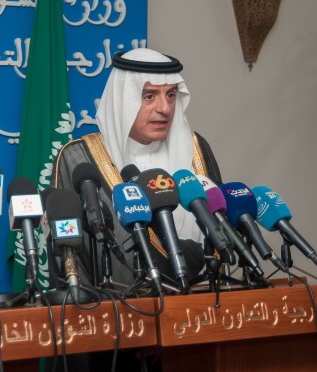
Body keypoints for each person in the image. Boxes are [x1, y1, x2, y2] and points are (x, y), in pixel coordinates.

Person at [52, 47, 222, 293]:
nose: (164, 108)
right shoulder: (80, 158)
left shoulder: (197, 149)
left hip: (202, 309)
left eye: (171, 95)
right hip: (116, 315)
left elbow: (219, 231)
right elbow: (72, 259)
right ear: (123, 101)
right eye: (150, 96)